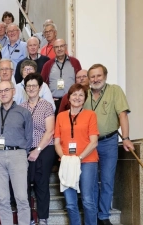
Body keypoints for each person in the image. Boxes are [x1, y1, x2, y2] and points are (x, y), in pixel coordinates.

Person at [83, 64, 133, 225]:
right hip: (89, 144)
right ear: (89, 79)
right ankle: (93, 214)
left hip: (109, 142)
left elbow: (122, 114)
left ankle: (103, 216)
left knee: (106, 179)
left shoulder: (114, 91)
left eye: (98, 76)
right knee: (90, 181)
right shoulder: (84, 94)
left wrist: (125, 137)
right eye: (92, 77)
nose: (95, 79)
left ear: (105, 76)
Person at [0, 81, 33, 225]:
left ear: (13, 91)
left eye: (6, 90)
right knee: (2, 199)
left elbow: (29, 136)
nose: (3, 93)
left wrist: (22, 154)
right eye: (0, 91)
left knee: (21, 198)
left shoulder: (24, 112)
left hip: (17, 155)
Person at [54, 83, 99, 225]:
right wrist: (65, 158)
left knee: (87, 200)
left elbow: (94, 142)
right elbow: (56, 142)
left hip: (87, 161)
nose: (77, 97)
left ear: (85, 98)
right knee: (70, 203)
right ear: (68, 97)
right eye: (74, 94)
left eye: (81, 95)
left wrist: (79, 158)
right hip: (67, 162)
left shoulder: (90, 115)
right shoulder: (60, 116)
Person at [19, 73, 56, 225]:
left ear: (40, 88)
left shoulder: (46, 106)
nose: (31, 88)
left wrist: (38, 149)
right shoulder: (21, 107)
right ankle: (27, 218)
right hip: (26, 149)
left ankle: (42, 218)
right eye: (29, 86)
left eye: (34, 86)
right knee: (24, 184)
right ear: (25, 89)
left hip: (45, 148)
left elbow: (50, 131)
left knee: (41, 183)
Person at [41, 39, 81, 115]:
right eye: (56, 47)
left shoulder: (75, 62)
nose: (59, 49)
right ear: (54, 49)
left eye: (61, 46)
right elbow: (42, 84)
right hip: (54, 102)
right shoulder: (48, 65)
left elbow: (80, 81)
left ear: (65, 47)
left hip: (72, 101)